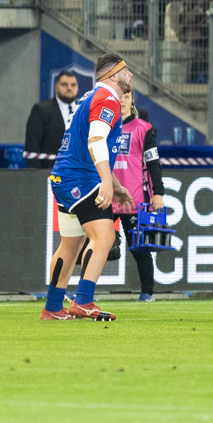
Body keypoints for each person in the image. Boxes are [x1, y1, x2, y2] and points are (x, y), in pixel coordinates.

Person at [42, 54, 135, 321]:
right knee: (104, 237)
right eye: (125, 70)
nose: (130, 75)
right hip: (81, 179)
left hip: (64, 177)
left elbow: (86, 142)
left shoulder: (90, 97)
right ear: (113, 75)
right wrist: (106, 181)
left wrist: (114, 184)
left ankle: (52, 308)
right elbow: (96, 141)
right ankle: (83, 302)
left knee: (70, 247)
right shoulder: (108, 99)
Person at [111, 88, 163, 302]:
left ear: (132, 100)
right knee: (99, 246)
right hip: (107, 197)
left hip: (134, 200)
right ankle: (85, 294)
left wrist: (158, 193)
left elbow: (153, 163)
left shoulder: (144, 128)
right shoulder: (103, 129)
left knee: (140, 248)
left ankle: (147, 293)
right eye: (118, 96)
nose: (122, 101)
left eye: (126, 96)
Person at [25, 70, 81, 168]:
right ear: (56, 87)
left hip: (80, 174)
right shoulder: (41, 110)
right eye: (64, 84)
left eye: (73, 85)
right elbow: (32, 146)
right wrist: (36, 177)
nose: (69, 88)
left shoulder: (85, 111)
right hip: (50, 174)